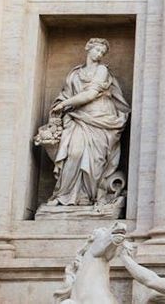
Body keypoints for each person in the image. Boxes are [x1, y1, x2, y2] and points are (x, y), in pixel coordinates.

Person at [42, 38, 130, 209]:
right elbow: (66, 94)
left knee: (95, 160)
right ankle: (64, 195)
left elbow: (90, 95)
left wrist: (64, 105)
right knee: (74, 153)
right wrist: (60, 105)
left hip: (100, 118)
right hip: (78, 117)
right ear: (88, 48)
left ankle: (86, 197)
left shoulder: (102, 70)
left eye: (102, 53)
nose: (99, 54)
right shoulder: (75, 74)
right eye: (97, 50)